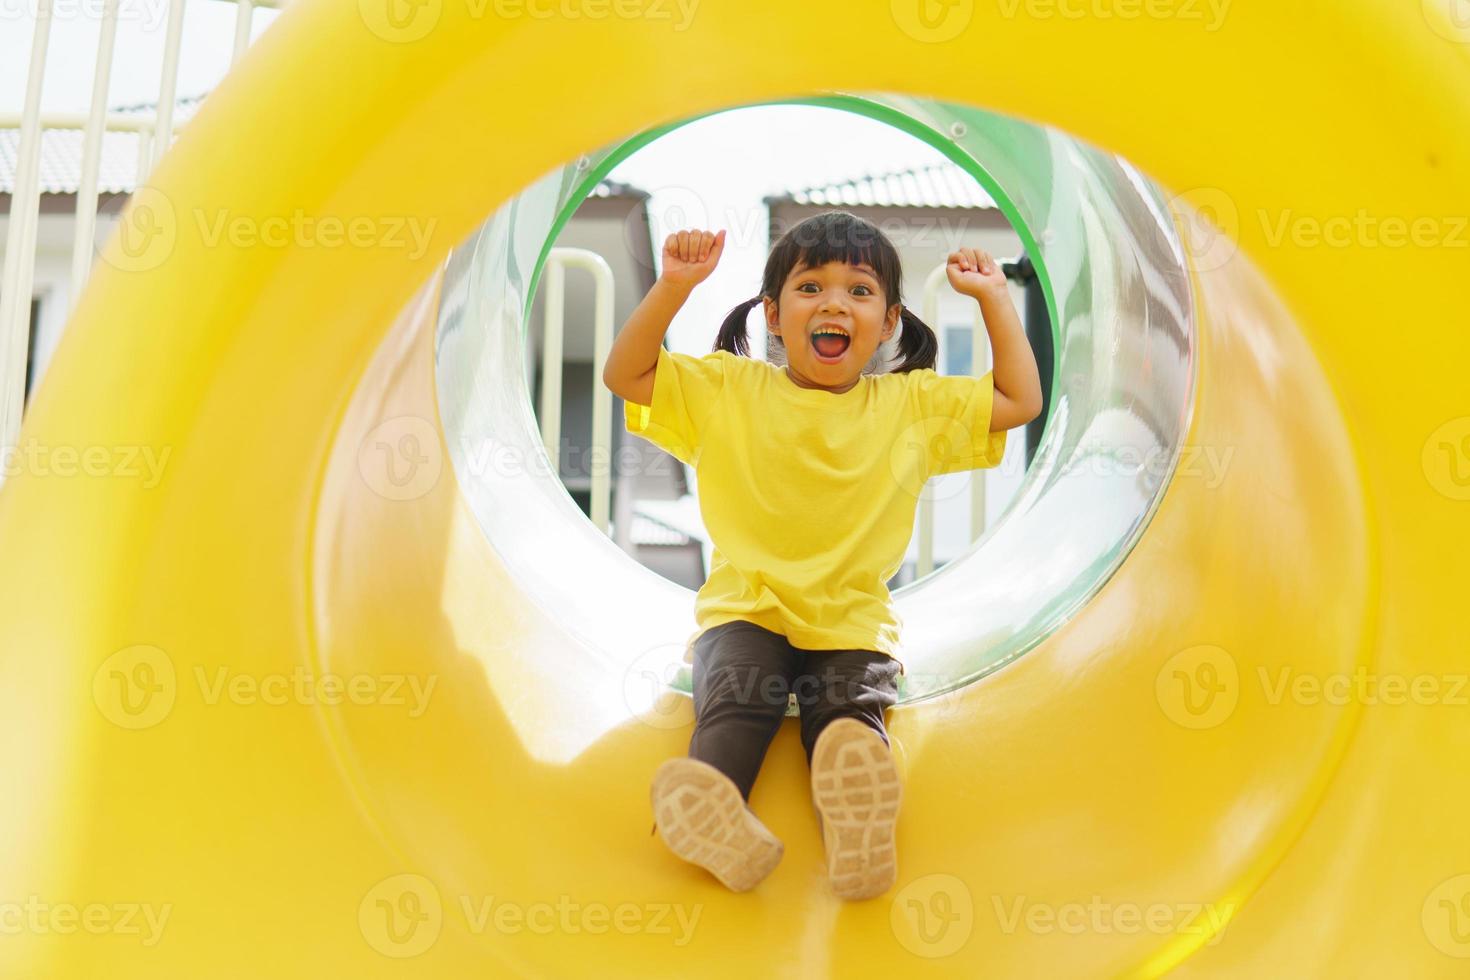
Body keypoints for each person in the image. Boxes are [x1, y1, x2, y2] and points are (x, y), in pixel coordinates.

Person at [602, 210, 1043, 900]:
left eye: (860, 291)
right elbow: (627, 373)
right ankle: (717, 815)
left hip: (851, 623)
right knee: (734, 700)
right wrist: (675, 286)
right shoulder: (729, 389)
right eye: (812, 287)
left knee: (849, 709)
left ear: (890, 321)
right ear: (774, 316)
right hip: (746, 611)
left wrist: (993, 297)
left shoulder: (908, 406)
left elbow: (1019, 399)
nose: (835, 302)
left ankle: (858, 817)